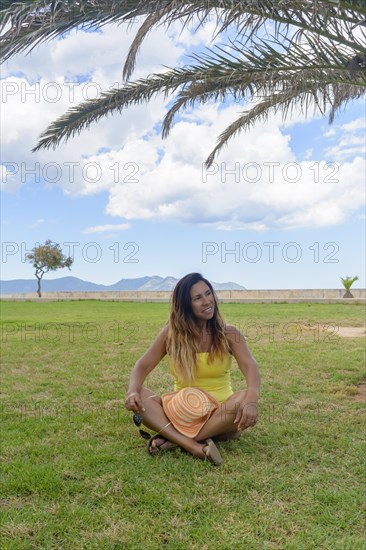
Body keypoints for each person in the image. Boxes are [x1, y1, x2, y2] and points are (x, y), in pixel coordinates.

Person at [124, 272, 260, 465]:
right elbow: (142, 365)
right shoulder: (171, 335)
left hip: (220, 416)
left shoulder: (229, 333)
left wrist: (252, 396)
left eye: (208, 293)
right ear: (185, 306)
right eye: (197, 298)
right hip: (180, 414)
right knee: (142, 395)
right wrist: (132, 392)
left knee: (241, 399)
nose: (207, 301)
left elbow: (250, 365)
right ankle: (195, 447)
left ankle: (175, 440)